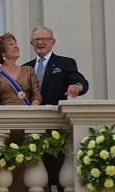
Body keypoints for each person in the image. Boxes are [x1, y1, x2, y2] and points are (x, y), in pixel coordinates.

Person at [23, 26, 89, 192]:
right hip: (31, 126)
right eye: (36, 40)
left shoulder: (65, 63)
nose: (40, 42)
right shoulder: (26, 68)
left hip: (55, 127)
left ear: (53, 42)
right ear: (31, 43)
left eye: (44, 39)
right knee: (35, 174)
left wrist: (76, 86)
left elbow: (81, 81)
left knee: (58, 171)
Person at [0, 32, 42, 192]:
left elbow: (36, 94)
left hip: (27, 125)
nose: (16, 46)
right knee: (5, 170)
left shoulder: (28, 70)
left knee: (29, 169)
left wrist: (34, 106)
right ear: (2, 52)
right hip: (5, 128)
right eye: (11, 44)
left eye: (16, 43)